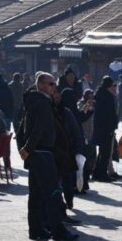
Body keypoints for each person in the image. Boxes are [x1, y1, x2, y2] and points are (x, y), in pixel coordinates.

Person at [18, 73, 78, 241]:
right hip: (43, 152)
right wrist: (27, 148)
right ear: (42, 85)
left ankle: (36, 229)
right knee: (53, 192)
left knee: (36, 194)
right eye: (51, 84)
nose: (54, 87)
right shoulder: (42, 102)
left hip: (35, 153)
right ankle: (58, 230)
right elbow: (39, 128)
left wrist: (25, 148)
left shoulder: (32, 101)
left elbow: (21, 126)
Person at [52, 89, 84, 223]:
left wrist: (78, 149)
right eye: (54, 94)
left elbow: (76, 132)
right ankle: (60, 209)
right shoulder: (47, 111)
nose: (56, 96)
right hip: (52, 152)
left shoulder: (66, 112)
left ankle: (69, 201)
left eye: (58, 93)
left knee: (67, 179)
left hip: (66, 151)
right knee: (56, 182)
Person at [92, 76, 119, 182]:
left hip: (100, 127)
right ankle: (102, 174)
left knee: (102, 152)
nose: (114, 87)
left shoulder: (99, 94)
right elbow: (109, 114)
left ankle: (97, 173)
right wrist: (111, 127)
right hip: (106, 128)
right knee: (106, 152)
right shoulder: (108, 96)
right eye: (112, 85)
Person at [77, 89, 95, 193]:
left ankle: (86, 181)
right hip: (84, 135)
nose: (91, 98)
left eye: (92, 96)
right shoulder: (80, 103)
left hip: (92, 134)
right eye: (89, 96)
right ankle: (83, 184)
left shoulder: (94, 105)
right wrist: (86, 107)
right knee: (85, 161)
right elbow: (81, 115)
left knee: (92, 159)